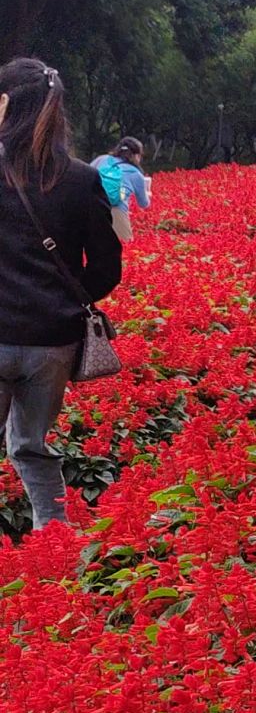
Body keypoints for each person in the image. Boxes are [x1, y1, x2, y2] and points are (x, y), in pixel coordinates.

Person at [0, 57, 122, 532]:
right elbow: (108, 268)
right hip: (53, 342)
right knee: (30, 444)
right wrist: (65, 303)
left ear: (6, 103)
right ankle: (55, 540)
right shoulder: (78, 178)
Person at [91, 137, 151, 244]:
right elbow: (143, 203)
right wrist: (148, 193)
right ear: (136, 155)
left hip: (92, 208)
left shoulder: (102, 159)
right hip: (117, 210)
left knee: (93, 247)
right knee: (125, 247)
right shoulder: (135, 173)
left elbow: (86, 175)